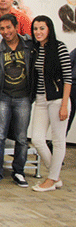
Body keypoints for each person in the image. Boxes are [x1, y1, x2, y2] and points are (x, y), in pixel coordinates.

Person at [0, 14, 33, 187]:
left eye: (8, 27)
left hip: (23, 97)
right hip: (4, 96)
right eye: (2, 29)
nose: (6, 32)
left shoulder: (28, 46)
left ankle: (19, 172)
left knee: (21, 137)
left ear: (16, 26)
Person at [30, 15, 72, 192]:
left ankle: (51, 179)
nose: (38, 32)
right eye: (35, 29)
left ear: (49, 29)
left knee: (58, 140)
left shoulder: (59, 47)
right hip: (41, 100)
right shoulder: (35, 49)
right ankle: (55, 176)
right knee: (37, 139)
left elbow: (68, 78)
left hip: (57, 99)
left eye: (42, 28)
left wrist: (64, 105)